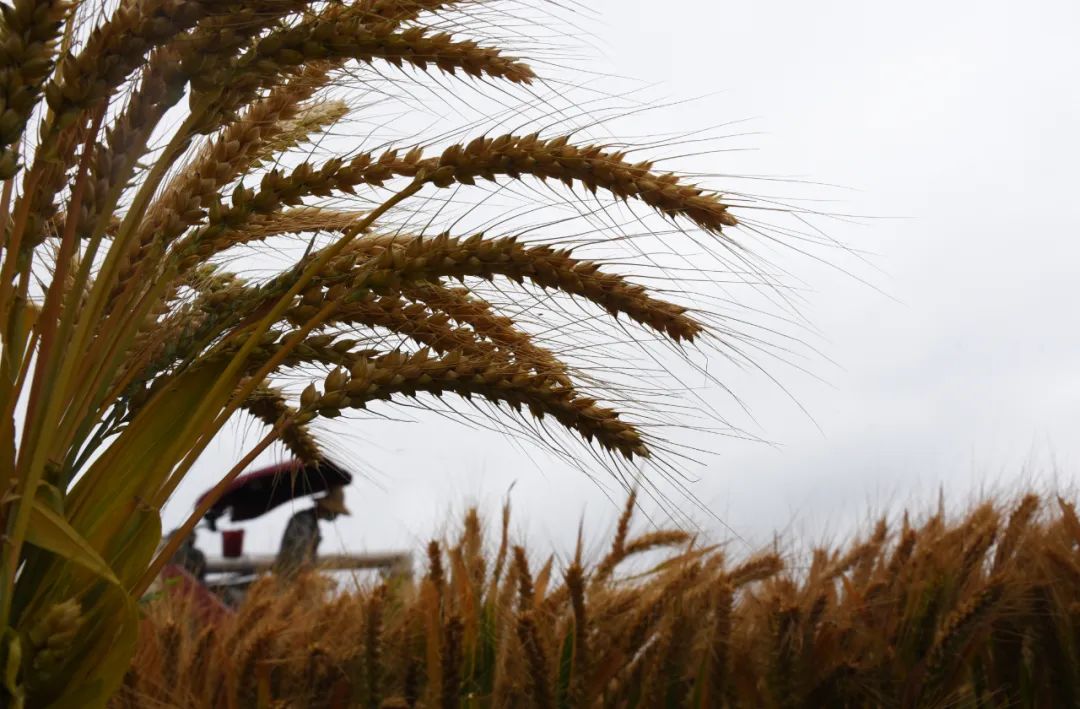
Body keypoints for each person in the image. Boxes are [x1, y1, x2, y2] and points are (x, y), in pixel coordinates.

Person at [275, 485, 350, 576]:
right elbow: (297, 553)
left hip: (299, 576)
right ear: (325, 507)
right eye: (335, 512)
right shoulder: (303, 520)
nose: (335, 516)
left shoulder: (313, 524)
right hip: (291, 576)